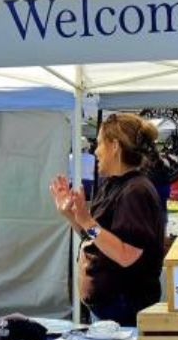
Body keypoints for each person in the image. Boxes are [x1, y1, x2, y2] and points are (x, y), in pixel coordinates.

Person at [49, 112, 166, 327]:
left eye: (100, 143)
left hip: (124, 310)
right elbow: (97, 238)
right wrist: (71, 215)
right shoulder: (113, 183)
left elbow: (126, 254)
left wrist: (87, 221)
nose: (95, 150)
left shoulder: (136, 191)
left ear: (115, 146)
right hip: (109, 309)